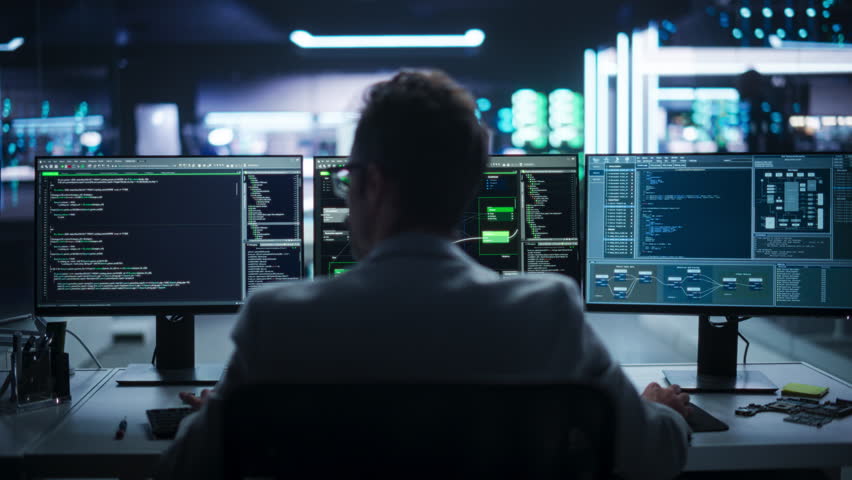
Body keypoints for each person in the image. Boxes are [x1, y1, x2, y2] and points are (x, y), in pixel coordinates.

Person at [156, 70, 690, 479]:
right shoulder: (547, 311)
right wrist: (655, 411)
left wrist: (220, 418)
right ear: (471, 183)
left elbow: (183, 470)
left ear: (373, 184)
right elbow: (654, 457)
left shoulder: (276, 321)